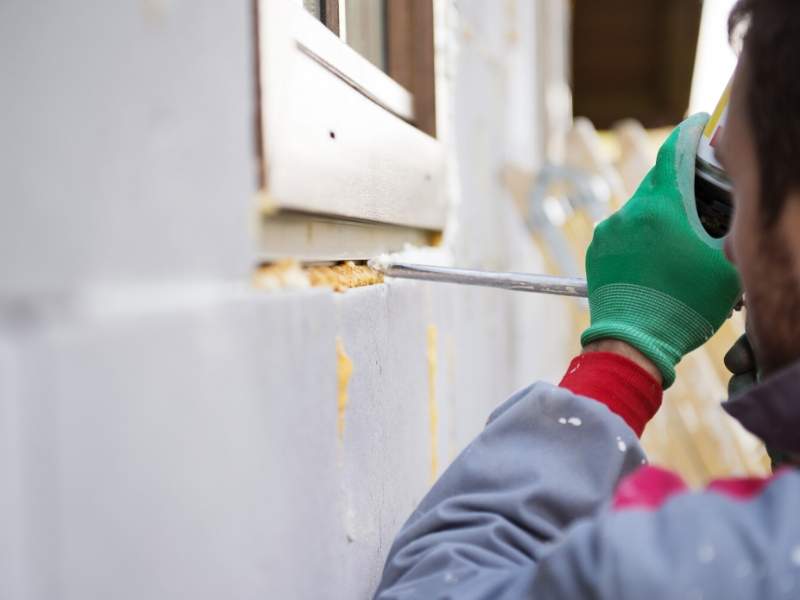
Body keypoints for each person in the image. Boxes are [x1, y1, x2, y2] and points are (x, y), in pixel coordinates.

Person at [374, 1, 800, 598]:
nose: (733, 252)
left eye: (748, 195)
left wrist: (624, 353)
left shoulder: (736, 564)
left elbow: (439, 583)